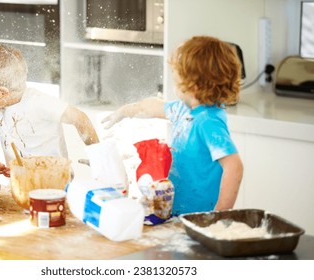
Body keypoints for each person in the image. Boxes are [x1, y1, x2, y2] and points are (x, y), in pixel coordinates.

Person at [102, 36, 244, 215]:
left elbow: (234, 166)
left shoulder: (208, 121)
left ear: (193, 85)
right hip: (177, 210)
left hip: (200, 216)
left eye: (177, 82)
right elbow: (154, 106)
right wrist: (126, 111)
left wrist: (220, 213)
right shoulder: (184, 109)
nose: (174, 85)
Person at [0, 43, 99, 177]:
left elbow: (79, 118)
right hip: (23, 183)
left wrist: (97, 155)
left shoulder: (38, 103)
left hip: (55, 182)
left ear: (2, 93)